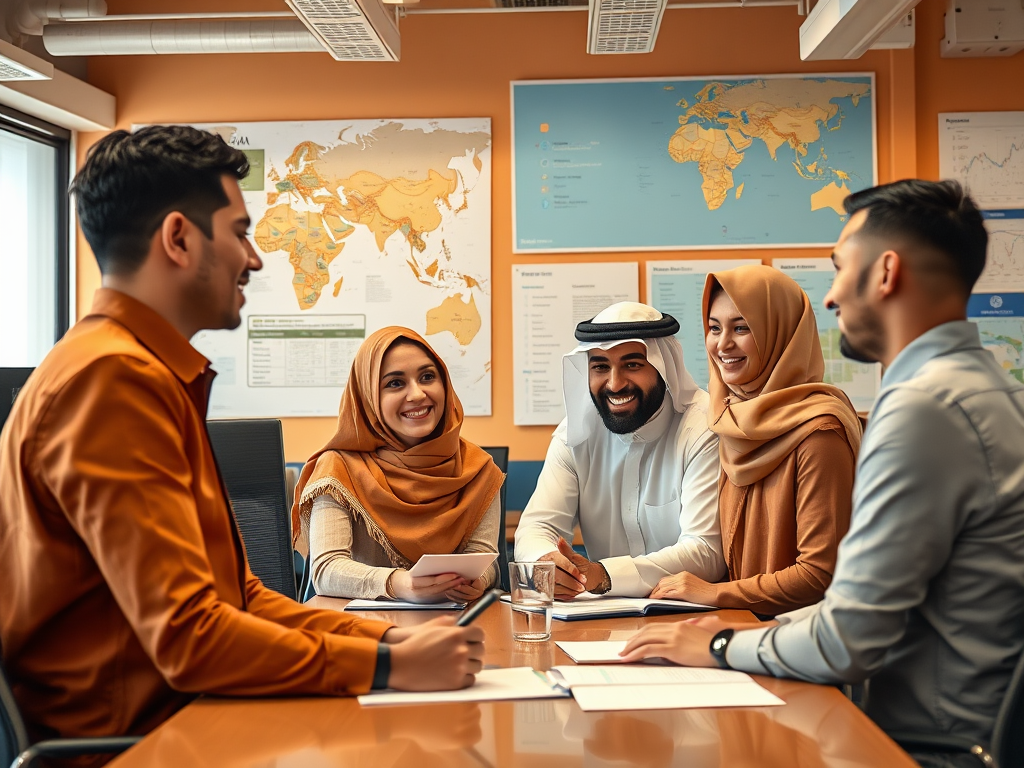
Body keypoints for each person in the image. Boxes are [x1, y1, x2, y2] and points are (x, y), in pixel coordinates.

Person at [0, 126, 483, 746]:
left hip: (187, 718)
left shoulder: (140, 371)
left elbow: (240, 598)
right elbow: (190, 638)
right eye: (237, 232)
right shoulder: (112, 382)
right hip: (137, 746)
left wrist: (387, 638)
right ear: (178, 238)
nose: (253, 259)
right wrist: (388, 667)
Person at [621, 180, 1024, 761]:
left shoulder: (924, 408)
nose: (831, 297)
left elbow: (847, 640)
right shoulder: (987, 392)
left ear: (885, 273)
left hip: (927, 746)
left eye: (840, 268)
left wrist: (722, 641)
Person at [650, 265, 861, 616]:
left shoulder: (820, 432)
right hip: (740, 626)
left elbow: (819, 575)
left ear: (780, 332)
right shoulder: (728, 420)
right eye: (714, 328)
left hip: (799, 638)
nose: (722, 344)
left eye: (742, 328)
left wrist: (716, 593)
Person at [514, 302, 724, 599]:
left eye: (632, 364)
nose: (615, 384)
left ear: (662, 367)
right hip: (600, 622)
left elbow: (707, 551)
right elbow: (538, 525)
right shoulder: (574, 436)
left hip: (687, 616)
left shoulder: (703, 428)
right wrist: (545, 561)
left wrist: (605, 575)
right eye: (600, 366)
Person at [293, 327, 504, 603]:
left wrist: (479, 579)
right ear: (368, 397)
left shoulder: (477, 469)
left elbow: (484, 555)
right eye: (395, 383)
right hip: (365, 632)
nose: (417, 394)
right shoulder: (337, 468)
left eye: (428, 377)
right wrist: (398, 584)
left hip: (455, 627)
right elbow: (327, 570)